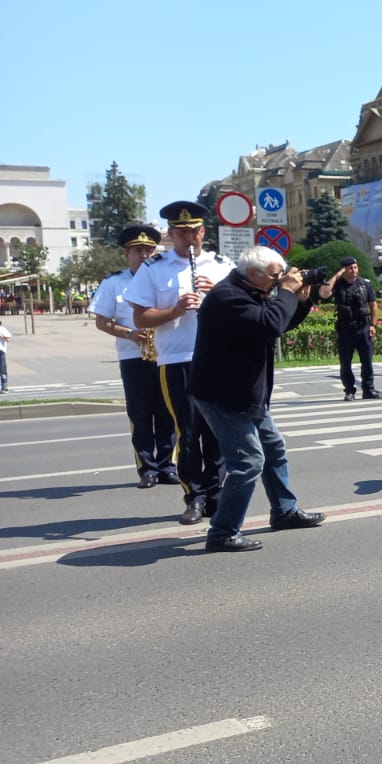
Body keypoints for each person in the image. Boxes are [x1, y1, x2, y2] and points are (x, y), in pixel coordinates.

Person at [189, 245, 322, 553]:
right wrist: (287, 293)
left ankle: (284, 511)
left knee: (274, 448)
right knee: (248, 462)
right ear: (253, 274)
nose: (280, 281)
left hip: (246, 392)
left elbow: (276, 323)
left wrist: (300, 301)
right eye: (275, 276)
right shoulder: (227, 297)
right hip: (222, 394)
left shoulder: (248, 291)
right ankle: (222, 531)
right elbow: (270, 324)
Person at [125, 199, 235, 525]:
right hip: (177, 360)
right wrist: (174, 310)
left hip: (218, 358)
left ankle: (216, 494)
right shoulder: (153, 268)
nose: (189, 238)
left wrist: (217, 294)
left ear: (203, 232)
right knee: (187, 433)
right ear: (171, 234)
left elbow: (244, 309)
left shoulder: (222, 267)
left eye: (193, 232)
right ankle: (195, 497)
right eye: (181, 232)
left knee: (217, 432)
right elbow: (141, 317)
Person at [90, 223, 176, 487]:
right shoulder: (114, 283)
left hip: (165, 355)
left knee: (167, 414)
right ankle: (147, 468)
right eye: (138, 250)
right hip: (133, 357)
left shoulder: (164, 278)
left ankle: (167, 465)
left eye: (149, 249)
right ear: (126, 254)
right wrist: (130, 334)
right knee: (140, 414)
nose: (145, 255)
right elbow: (102, 321)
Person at [320, 256, 381, 401]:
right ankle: (349, 390)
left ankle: (369, 390)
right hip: (345, 328)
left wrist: (373, 325)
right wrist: (337, 275)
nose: (354, 270)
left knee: (367, 361)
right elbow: (323, 294)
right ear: (344, 269)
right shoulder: (338, 284)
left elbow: (373, 305)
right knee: (345, 362)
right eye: (350, 268)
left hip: (363, 326)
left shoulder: (365, 284)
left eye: (355, 267)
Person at [0, 316, 10, 393]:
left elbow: (8, 339)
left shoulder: (3, 329)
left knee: (2, 370)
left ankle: (4, 387)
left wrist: (1, 336)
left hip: (1, 352)